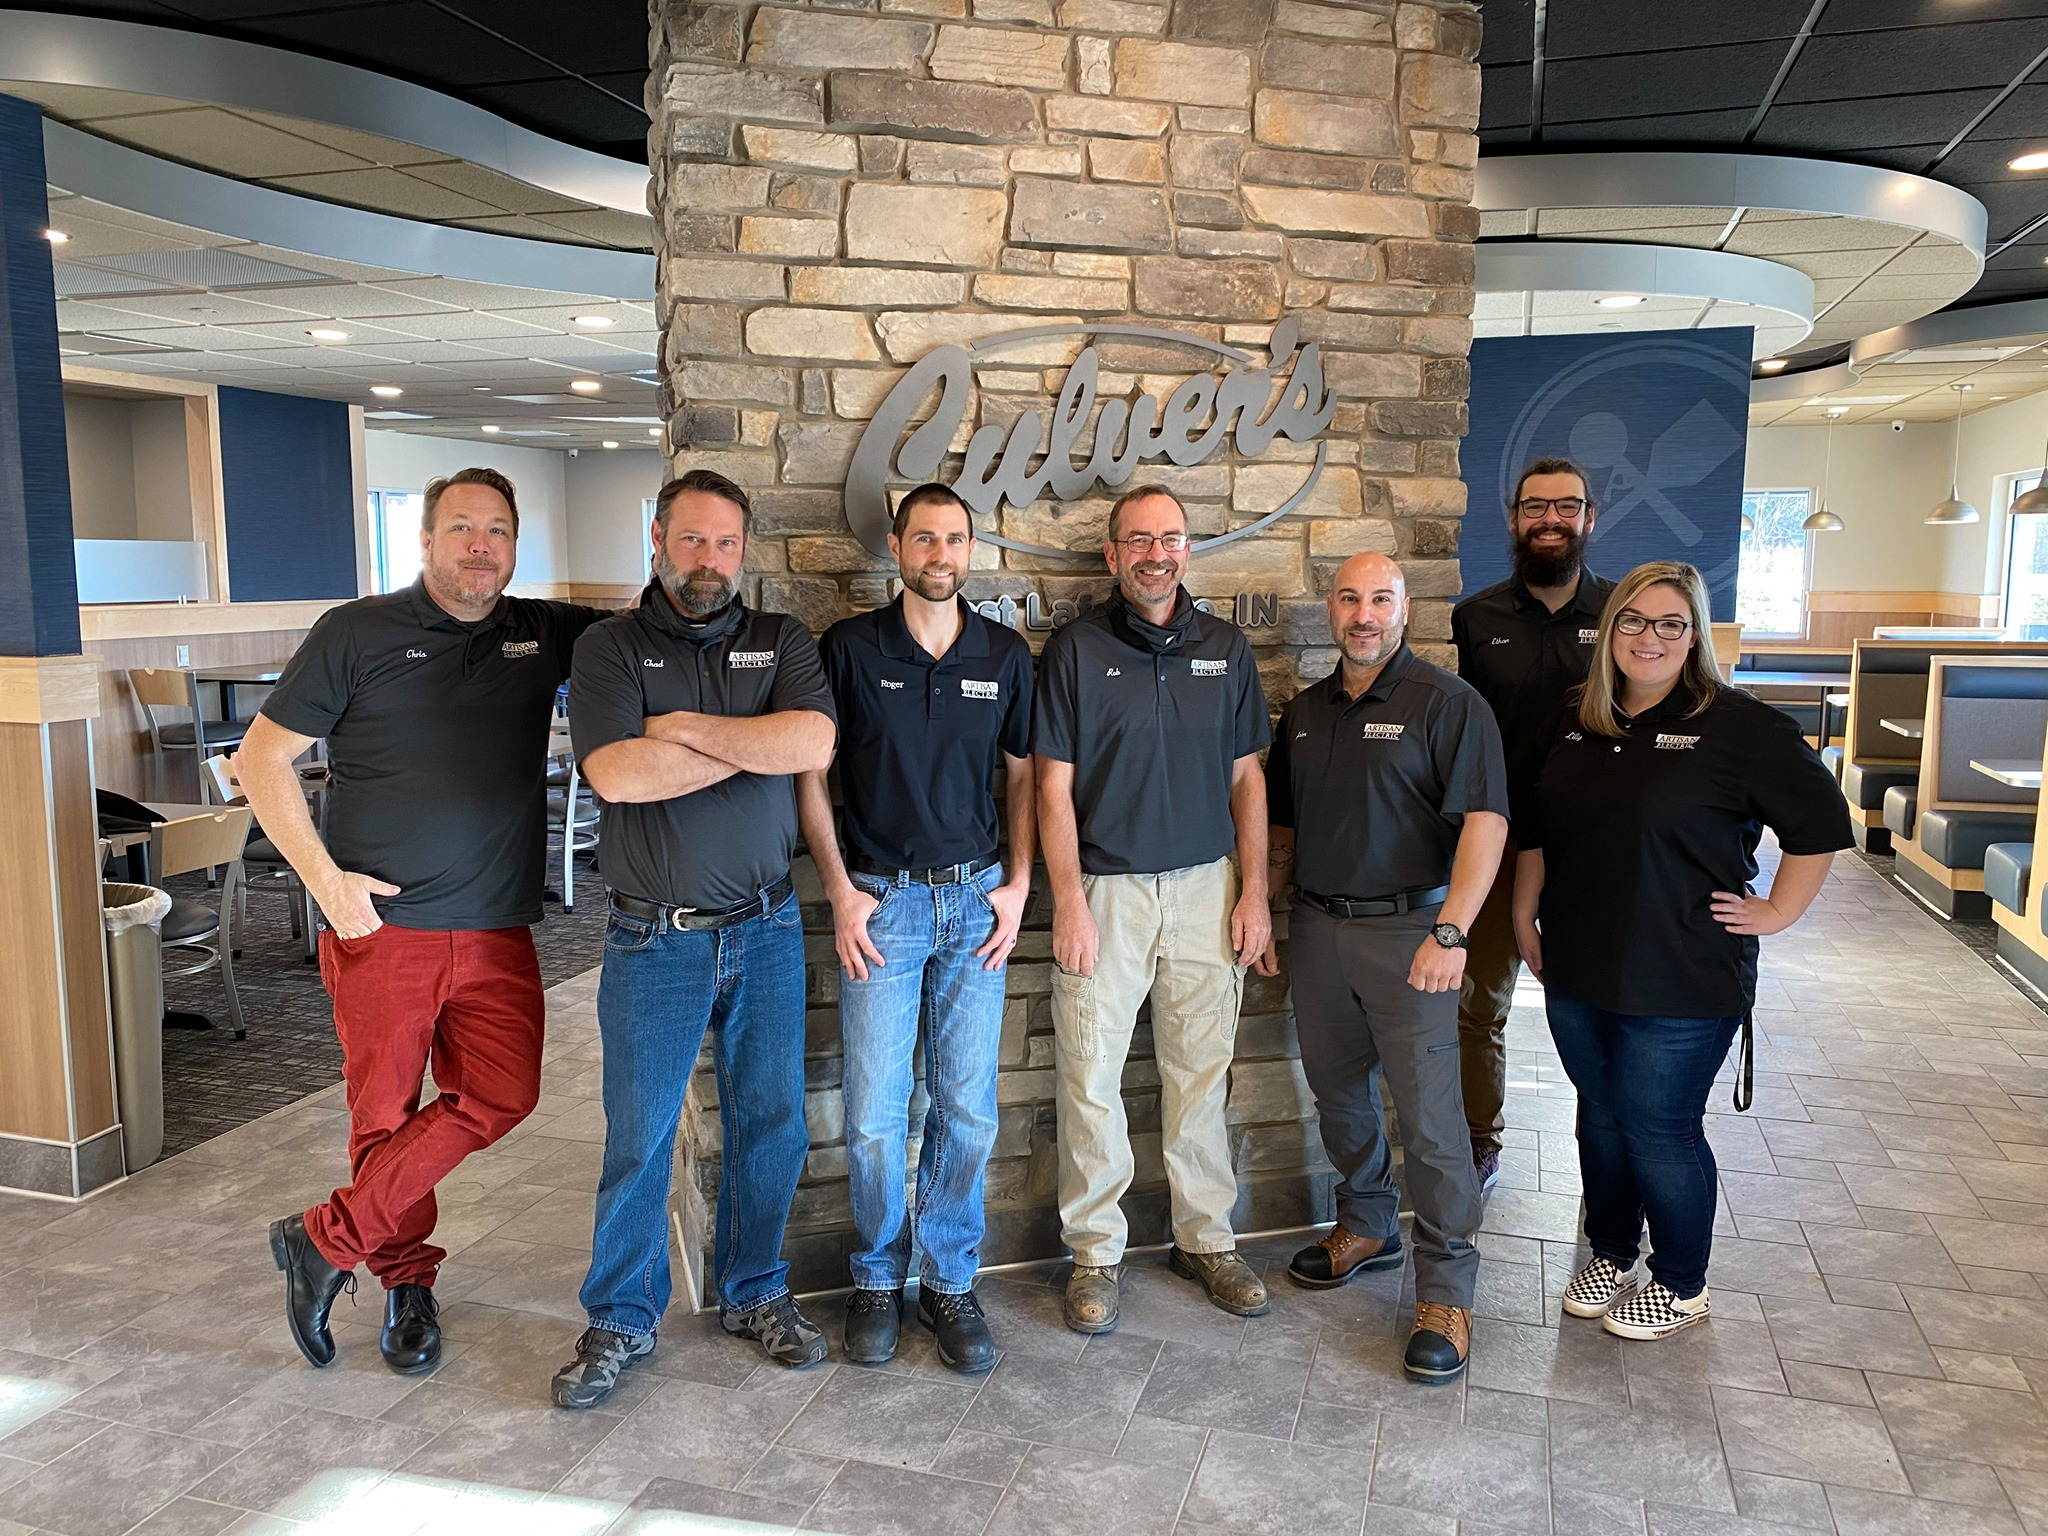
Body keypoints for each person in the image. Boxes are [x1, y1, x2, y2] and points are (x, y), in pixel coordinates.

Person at [245, 467, 608, 1375]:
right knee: (384, 1114)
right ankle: (406, 1281)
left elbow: (653, 633)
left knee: (502, 1094)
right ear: (427, 541)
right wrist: (328, 886)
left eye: (497, 531)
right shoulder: (356, 631)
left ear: (515, 547)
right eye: (461, 528)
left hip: (497, 929)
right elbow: (260, 762)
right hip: (383, 928)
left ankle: (326, 1239)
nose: (481, 545)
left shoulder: (543, 631)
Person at [550, 469, 837, 1408]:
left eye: (723, 543)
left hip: (766, 929)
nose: (707, 560)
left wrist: (682, 730)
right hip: (651, 941)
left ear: (742, 549)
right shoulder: (608, 647)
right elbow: (619, 776)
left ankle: (754, 1292)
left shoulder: (781, 639)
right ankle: (622, 1318)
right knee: (640, 1135)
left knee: (772, 1124)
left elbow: (811, 748)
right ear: (658, 540)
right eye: (690, 540)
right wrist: (746, 737)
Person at [1512, 561, 1851, 1340]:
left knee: (1658, 1127)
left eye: (1670, 623)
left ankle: (1681, 1282)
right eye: (1633, 620)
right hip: (1577, 960)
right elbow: (1537, 826)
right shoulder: (1573, 715)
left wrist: (1777, 910)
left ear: (1694, 634)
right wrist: (1526, 909)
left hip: (1684, 970)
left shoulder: (1740, 727)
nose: (1650, 637)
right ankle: (1610, 1251)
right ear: (1609, 632)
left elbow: (1820, 825)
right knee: (1598, 1116)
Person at [796, 483, 1036, 1373]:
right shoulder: (850, 648)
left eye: (956, 540)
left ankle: (948, 1279)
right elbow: (810, 777)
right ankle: (874, 1279)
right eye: (925, 539)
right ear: (896, 547)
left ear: (971, 550)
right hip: (882, 906)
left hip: (976, 902)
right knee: (872, 1115)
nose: (941, 554)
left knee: (969, 1109)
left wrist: (1018, 885)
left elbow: (1022, 779)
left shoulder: (1005, 653)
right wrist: (838, 890)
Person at [1034, 484, 1273, 1335]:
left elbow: (1249, 778)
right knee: (1091, 1076)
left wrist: (1255, 892)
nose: (1156, 554)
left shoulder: (1226, 648)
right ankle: (1095, 1252)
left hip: (1209, 888)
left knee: (1201, 1071)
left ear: (1187, 549)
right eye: (1138, 540)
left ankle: (1206, 1239)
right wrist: (1068, 902)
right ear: (1111, 555)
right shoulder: (1074, 650)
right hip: (1108, 892)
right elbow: (1051, 791)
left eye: (1170, 538)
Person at [1265, 553, 1508, 1383]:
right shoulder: (1302, 712)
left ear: (1405, 609)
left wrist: (1452, 932)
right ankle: (1367, 1225)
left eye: (1380, 599)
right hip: (1319, 931)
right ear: (1328, 609)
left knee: (1433, 1122)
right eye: (1348, 598)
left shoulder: (1448, 704)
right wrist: (1264, 907)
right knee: (1338, 1094)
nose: (1363, 614)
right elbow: (1286, 832)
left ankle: (1447, 1289)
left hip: (1413, 934)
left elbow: (1485, 824)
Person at [1450, 457, 1613, 1196]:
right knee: (1478, 1003)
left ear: (1590, 516)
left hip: (1594, 847)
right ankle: (1479, 1142)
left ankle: (1605, 1162)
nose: (1551, 519)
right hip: (1502, 841)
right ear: (1514, 518)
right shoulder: (1475, 619)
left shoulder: (1623, 616)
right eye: (1536, 506)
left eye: (1567, 506)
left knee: (1598, 1011)